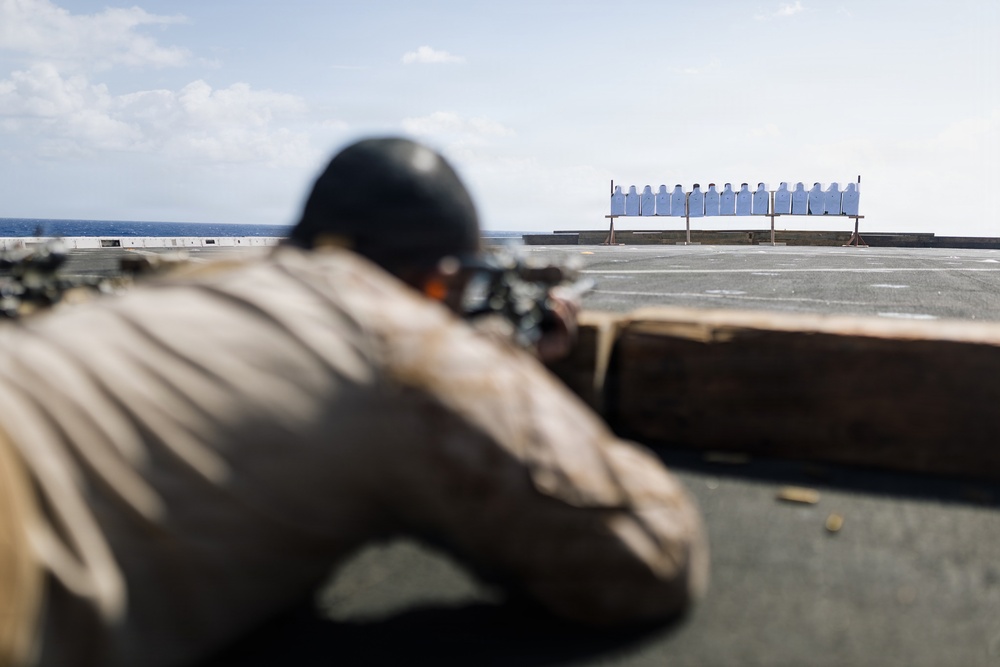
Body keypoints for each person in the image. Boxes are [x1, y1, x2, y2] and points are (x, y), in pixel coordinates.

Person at [0, 137, 708, 667]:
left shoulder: (196, 286)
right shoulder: (398, 342)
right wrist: (491, 372)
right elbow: (647, 549)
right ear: (439, 281)